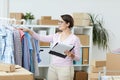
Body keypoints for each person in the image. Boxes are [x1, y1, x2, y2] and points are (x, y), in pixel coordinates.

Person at [20, 14, 81, 80]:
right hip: (53, 67)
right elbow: (40, 37)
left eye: (61, 22)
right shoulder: (56, 36)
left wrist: (71, 55)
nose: (59, 24)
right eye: (58, 22)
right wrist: (29, 31)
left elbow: (78, 58)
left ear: (68, 24)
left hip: (65, 68)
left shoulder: (74, 39)